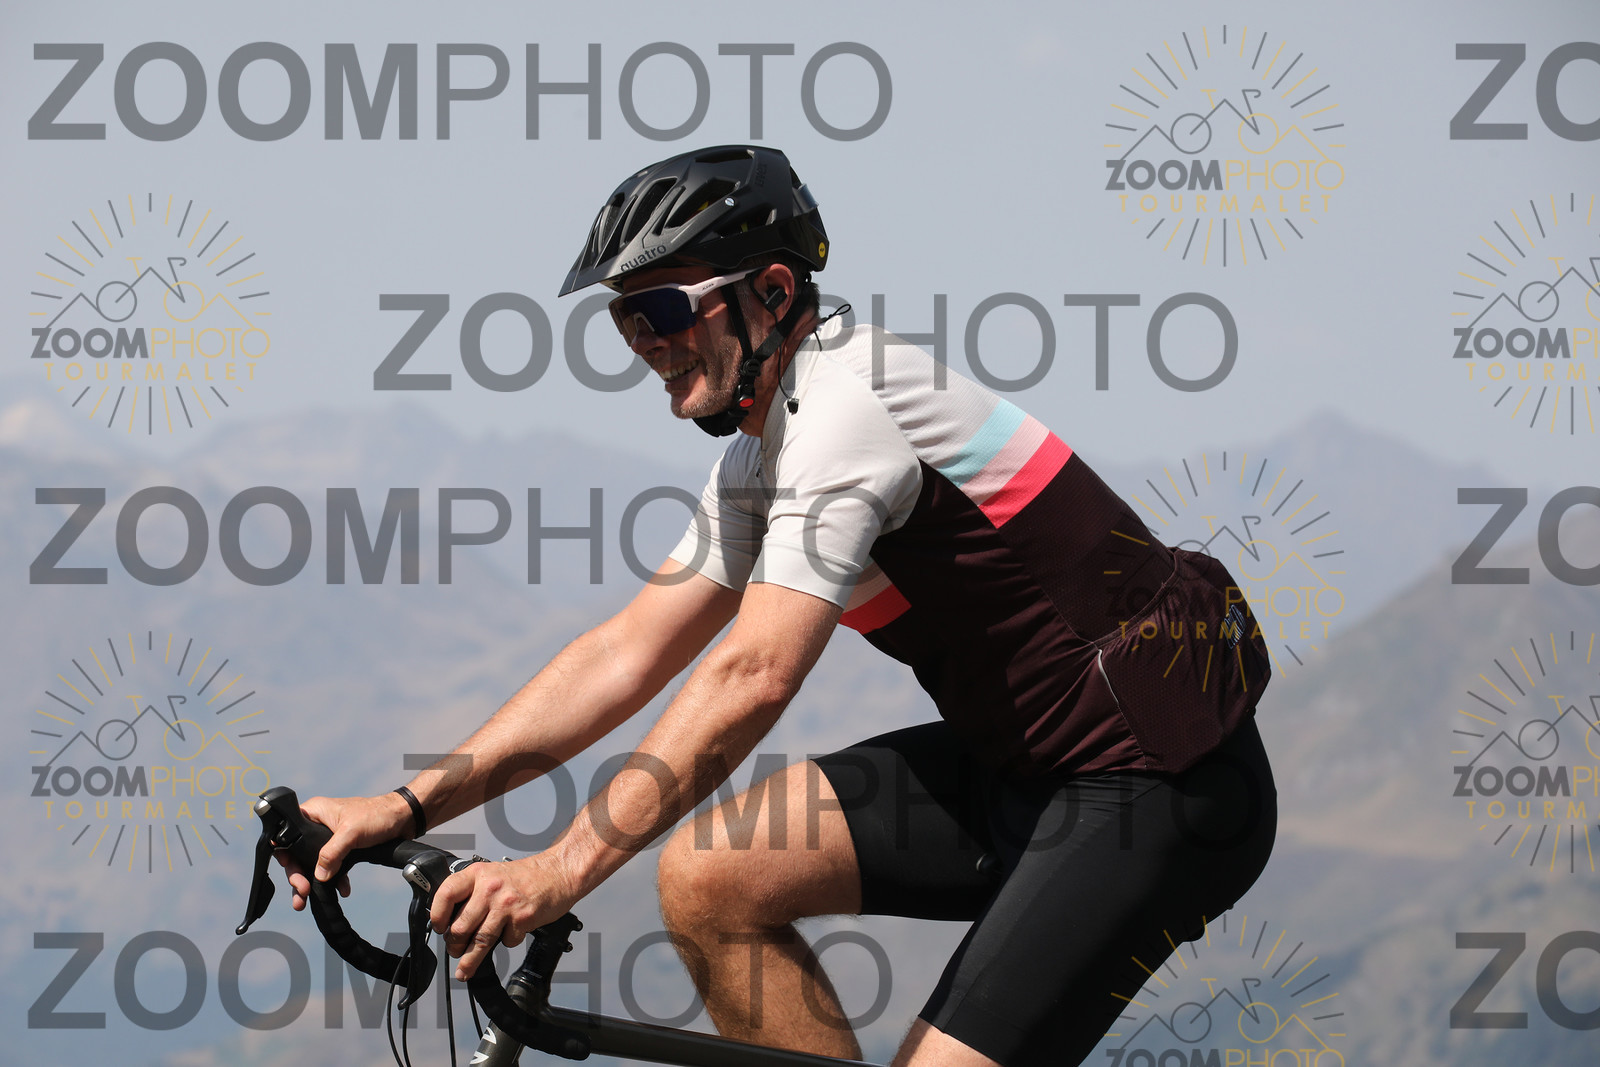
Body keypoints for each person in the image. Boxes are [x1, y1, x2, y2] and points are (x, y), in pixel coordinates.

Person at [284, 145, 1278, 1067]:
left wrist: (562, 868)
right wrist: (406, 806)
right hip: (1019, 765)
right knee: (711, 878)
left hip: (1154, 786)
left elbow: (753, 673)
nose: (646, 344)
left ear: (770, 292)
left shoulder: (846, 407)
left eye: (663, 309)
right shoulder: (763, 451)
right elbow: (625, 653)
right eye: (624, 322)